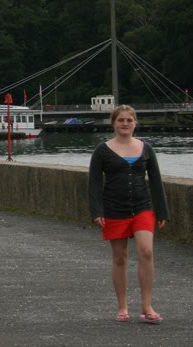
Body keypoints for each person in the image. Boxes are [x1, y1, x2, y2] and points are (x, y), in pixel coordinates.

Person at [88, 104, 169, 324]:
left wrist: (162, 211)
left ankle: (147, 306)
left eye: (129, 120)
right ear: (114, 123)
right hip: (113, 208)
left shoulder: (146, 148)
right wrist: (96, 211)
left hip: (142, 207)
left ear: (135, 123)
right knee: (120, 257)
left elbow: (155, 181)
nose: (125, 124)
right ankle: (123, 307)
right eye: (121, 120)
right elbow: (94, 183)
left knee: (146, 252)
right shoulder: (102, 150)